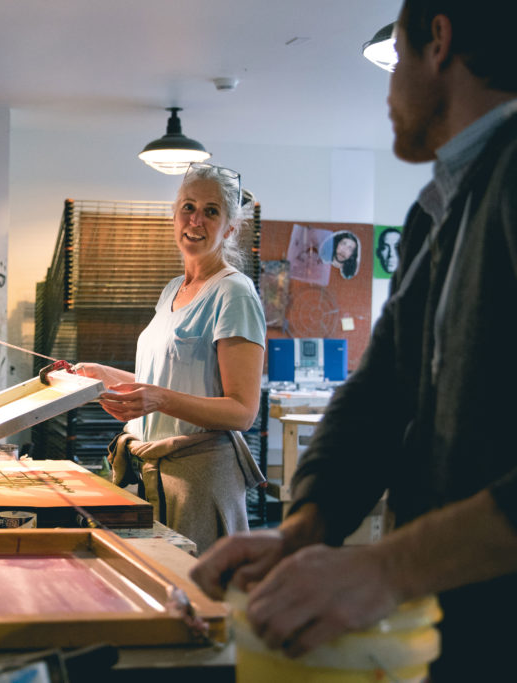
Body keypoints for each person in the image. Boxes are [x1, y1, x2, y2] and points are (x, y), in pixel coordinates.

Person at [190, 1, 517, 678]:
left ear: (439, 40)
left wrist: (387, 566)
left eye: (393, 59)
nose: (389, 89)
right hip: (444, 628)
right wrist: (299, 531)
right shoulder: (437, 216)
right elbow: (377, 397)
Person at [74, 162, 266, 553]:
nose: (195, 220)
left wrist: (158, 399)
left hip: (199, 482)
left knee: (193, 602)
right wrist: (104, 375)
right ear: (174, 215)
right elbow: (169, 379)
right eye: (188, 207)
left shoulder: (234, 294)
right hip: (155, 476)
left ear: (229, 227)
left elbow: (242, 411)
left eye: (211, 211)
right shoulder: (173, 290)